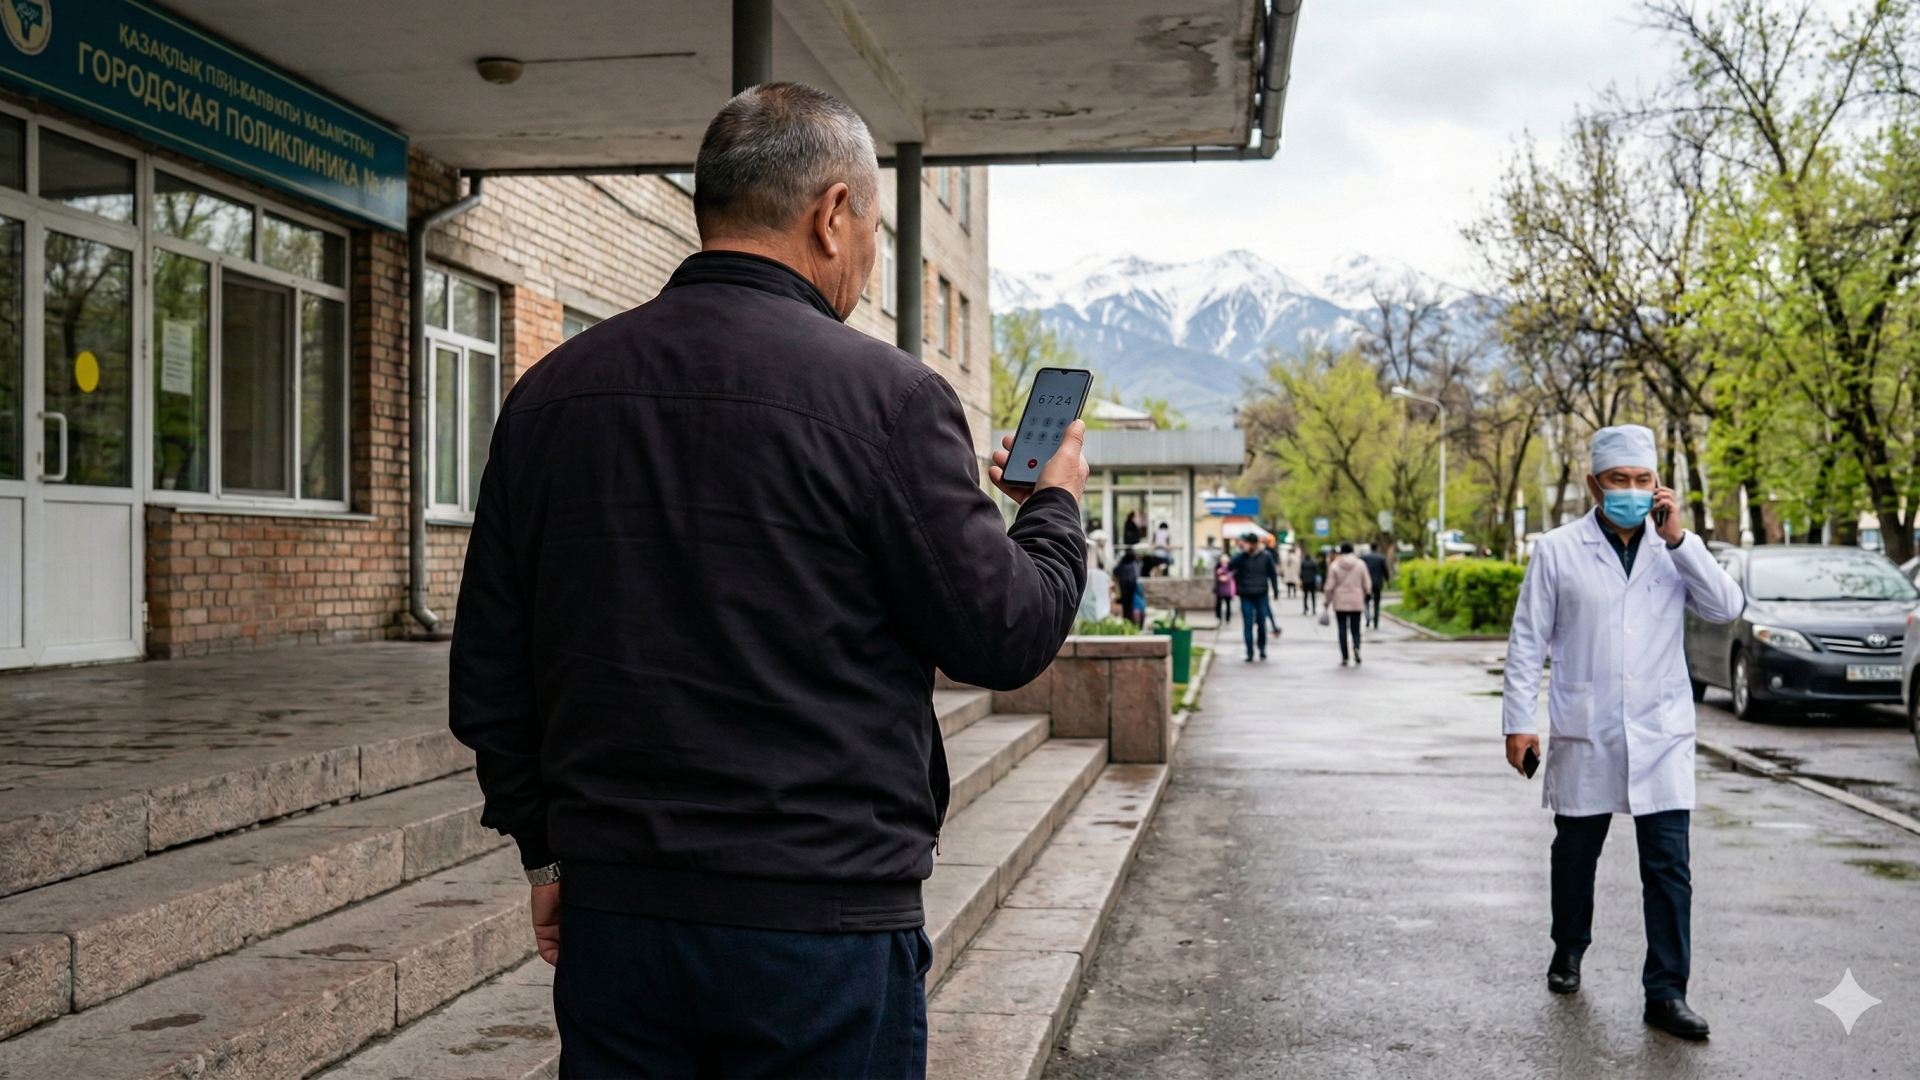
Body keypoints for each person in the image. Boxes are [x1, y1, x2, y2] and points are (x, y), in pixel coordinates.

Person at [448, 84, 1089, 1079]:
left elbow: (491, 667)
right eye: (872, 226)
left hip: (617, 926)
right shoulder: (888, 399)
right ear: (834, 214)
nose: (870, 260)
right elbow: (1003, 633)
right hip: (819, 932)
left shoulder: (549, 396)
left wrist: (545, 851)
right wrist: (1053, 502)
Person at [1501, 425, 1743, 1043]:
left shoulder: (1675, 547)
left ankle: (1666, 992)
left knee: (1668, 868)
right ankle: (1569, 946)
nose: (1631, 492)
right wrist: (1519, 724)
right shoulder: (1557, 549)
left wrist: (1681, 539)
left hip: (1660, 734)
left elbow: (1726, 608)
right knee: (1575, 855)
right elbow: (1528, 640)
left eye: (1642, 481)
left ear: (1658, 485)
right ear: (1594, 485)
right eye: (1619, 481)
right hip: (1588, 729)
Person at [1228, 533, 1279, 661]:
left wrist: (1275, 591)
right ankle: (1249, 652)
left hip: (1261, 594)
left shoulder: (1266, 556)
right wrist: (1242, 553)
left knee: (1262, 623)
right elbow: (1230, 566)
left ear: (1255, 544)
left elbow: (1272, 574)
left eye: (1249, 543)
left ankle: (1262, 649)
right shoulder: (1242, 557)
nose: (1247, 546)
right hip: (1245, 594)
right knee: (1248, 624)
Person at [1323, 542, 1370, 666]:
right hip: (1356, 600)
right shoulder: (1360, 564)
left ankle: (1345, 656)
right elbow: (1367, 583)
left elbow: (1329, 586)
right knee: (1356, 629)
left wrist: (1327, 601)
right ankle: (1356, 647)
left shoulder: (1334, 565)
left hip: (1340, 602)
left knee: (1342, 629)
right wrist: (1365, 595)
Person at [1359, 545, 1390, 629]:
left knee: (1366, 601)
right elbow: (1385, 571)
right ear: (1377, 548)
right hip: (1377, 583)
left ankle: (1367, 618)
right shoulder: (1381, 558)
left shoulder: (1364, 557)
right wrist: (1388, 581)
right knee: (1377, 603)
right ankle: (1376, 621)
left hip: (1366, 583)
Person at [1115, 547, 1142, 628]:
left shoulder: (1123, 563)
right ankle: (1132, 623)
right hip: (1132, 589)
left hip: (1124, 589)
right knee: (1132, 607)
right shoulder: (1134, 564)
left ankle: (1127, 622)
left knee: (1126, 607)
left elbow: (1116, 571)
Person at [1213, 551, 1236, 625]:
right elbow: (1216, 573)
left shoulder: (1230, 566)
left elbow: (1233, 572)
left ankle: (1227, 618)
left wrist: (1227, 577)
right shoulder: (1218, 566)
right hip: (1220, 587)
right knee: (1219, 603)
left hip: (1228, 587)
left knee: (1228, 604)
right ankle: (1218, 616)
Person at [1298, 549, 1320, 614]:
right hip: (1312, 581)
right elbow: (1316, 572)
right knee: (1313, 596)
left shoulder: (1303, 563)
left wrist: (1301, 579)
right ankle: (1313, 609)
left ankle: (1305, 608)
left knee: (1305, 596)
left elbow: (1301, 572)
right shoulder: (1313, 563)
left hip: (1305, 581)